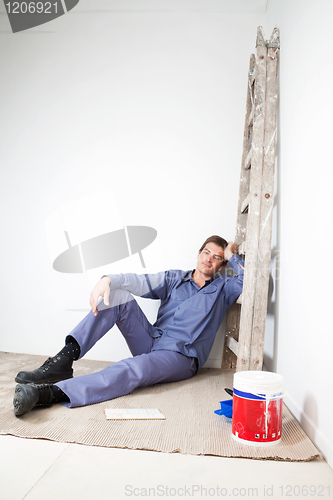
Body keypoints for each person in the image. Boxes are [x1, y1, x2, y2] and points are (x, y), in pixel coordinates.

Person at [13, 235, 244, 417]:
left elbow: (247, 280)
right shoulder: (175, 279)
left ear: (222, 264)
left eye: (217, 257)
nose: (209, 259)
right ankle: (63, 360)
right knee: (117, 295)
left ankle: (51, 393)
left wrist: (233, 255)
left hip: (181, 356)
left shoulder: (223, 289)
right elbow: (139, 282)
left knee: (133, 368)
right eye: (206, 252)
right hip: (152, 340)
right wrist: (108, 280)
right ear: (198, 253)